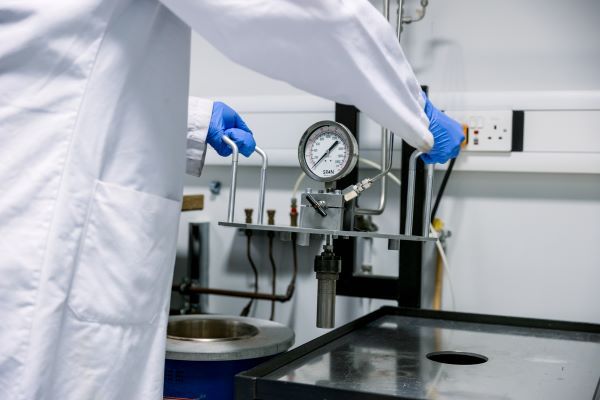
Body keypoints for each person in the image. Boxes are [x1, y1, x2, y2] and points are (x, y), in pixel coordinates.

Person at [0, 0, 463, 398]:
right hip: (40, 226)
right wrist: (410, 107)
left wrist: (191, 121)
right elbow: (303, 14)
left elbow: (49, 64)